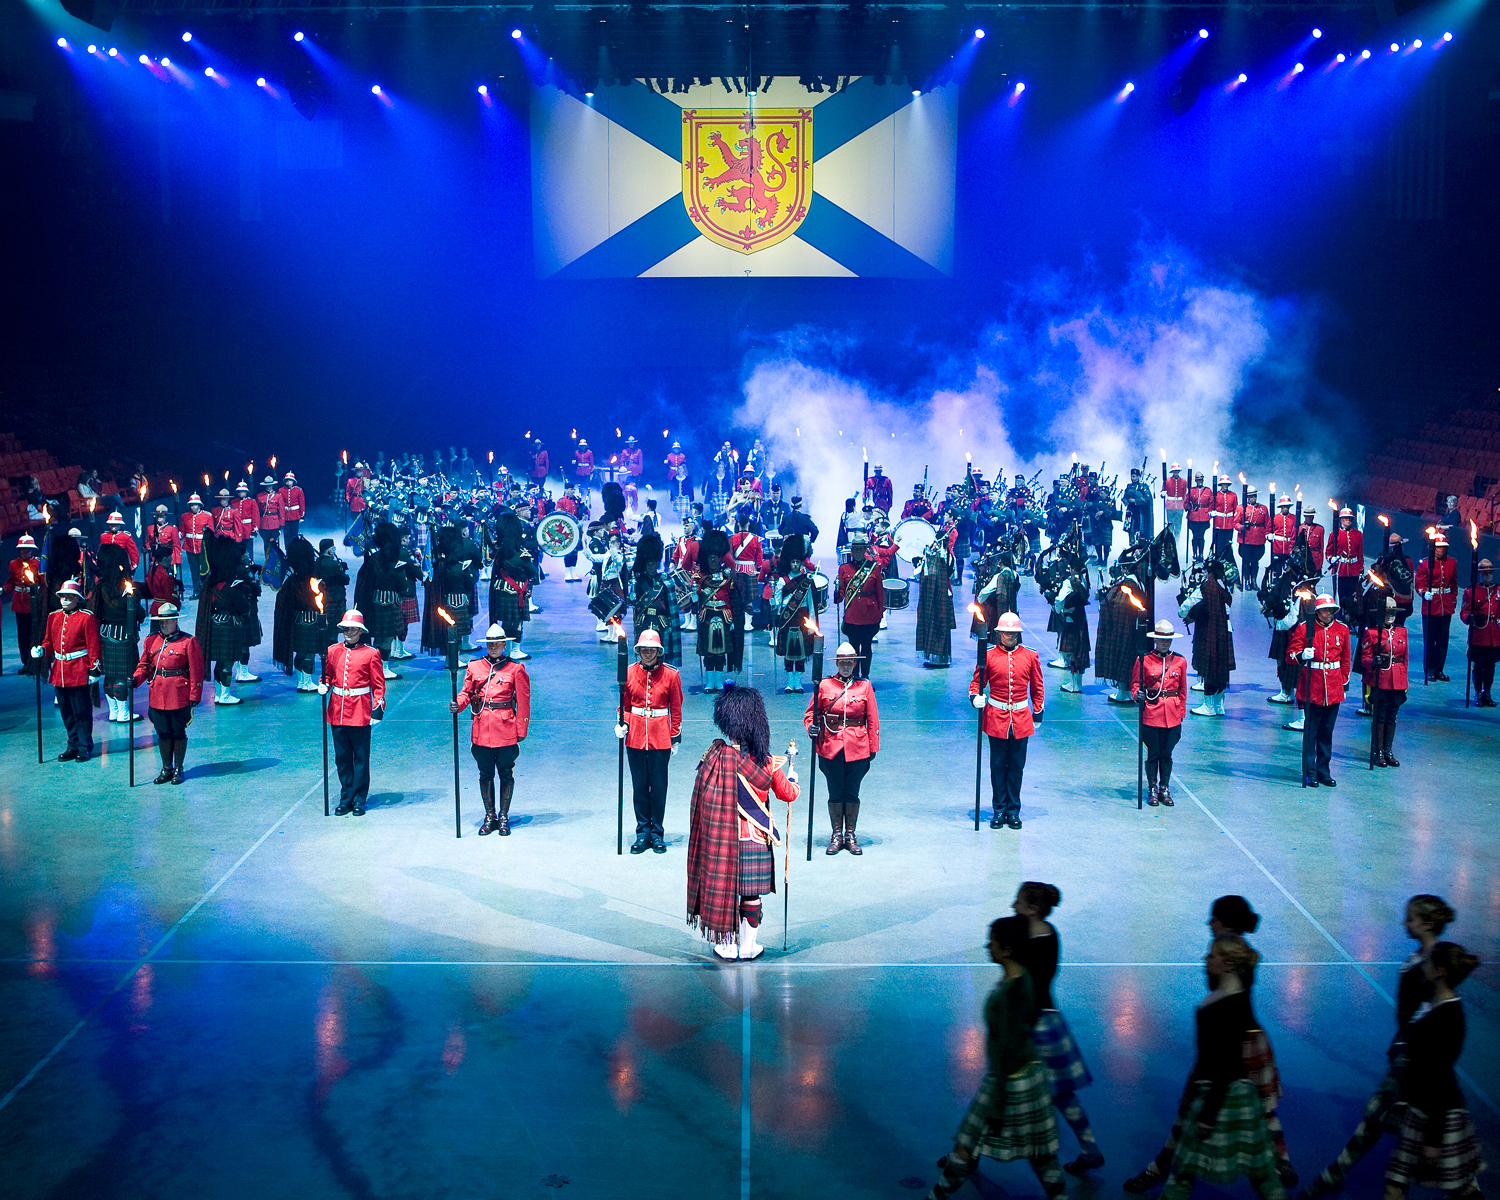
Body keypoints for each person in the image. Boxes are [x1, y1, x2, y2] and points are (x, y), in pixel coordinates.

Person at [1303, 895, 1458, 1198]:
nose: (1404, 923)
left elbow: (1417, 1017)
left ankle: (1338, 1172)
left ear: (1426, 923)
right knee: (1376, 1120)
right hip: (1407, 1055)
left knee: (1400, 1126)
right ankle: (1338, 1171)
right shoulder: (1427, 963)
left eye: (1410, 918)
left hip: (1413, 1062)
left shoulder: (1429, 968)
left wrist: (1404, 1048)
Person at [924, 915, 1068, 1200]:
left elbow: (1008, 1048)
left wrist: (997, 1102)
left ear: (1007, 949)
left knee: (967, 1144)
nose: (986, 946)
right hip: (1026, 1077)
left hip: (1007, 1081)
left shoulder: (1010, 994)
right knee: (1040, 1154)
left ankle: (936, 1196)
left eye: (991, 942)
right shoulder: (1020, 978)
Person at [1154, 939, 1288, 1200]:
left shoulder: (1223, 1007)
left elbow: (1224, 1065)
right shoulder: (1236, 998)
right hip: (1240, 1096)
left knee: (1183, 1170)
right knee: (1261, 1172)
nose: (1205, 959)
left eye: (1211, 956)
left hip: (1219, 1097)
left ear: (1226, 964)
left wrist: (1208, 1115)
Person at [686, 686, 799, 961]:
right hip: (755, 839)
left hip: (720, 838)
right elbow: (789, 794)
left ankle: (726, 946)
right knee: (751, 896)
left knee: (724, 893)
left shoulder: (714, 756)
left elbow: (701, 795)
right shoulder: (768, 763)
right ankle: (748, 947)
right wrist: (793, 778)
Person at [1010, 883, 1106, 1177]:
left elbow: (1024, 986)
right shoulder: (1050, 935)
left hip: (1031, 1024)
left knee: (1000, 1089)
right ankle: (1090, 1150)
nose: (1013, 906)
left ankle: (966, 1153)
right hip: (1049, 1021)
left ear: (1032, 908)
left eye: (1019, 902)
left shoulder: (1027, 942)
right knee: (1062, 1094)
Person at [1380, 942, 1484, 1200]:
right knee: (1396, 1183)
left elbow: (1439, 1078)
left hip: (1439, 1115)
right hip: (1421, 1110)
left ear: (1439, 971)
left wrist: (1434, 1140)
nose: (1422, 965)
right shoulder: (1436, 1004)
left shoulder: (1447, 1018)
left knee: (1461, 1189)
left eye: (1428, 963)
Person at [450, 622, 530, 835]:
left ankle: (503, 816)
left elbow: (523, 701)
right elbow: (466, 692)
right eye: (490, 643)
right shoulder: (475, 666)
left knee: (505, 772)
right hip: (482, 727)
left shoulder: (515, 669)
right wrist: (458, 704)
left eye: (497, 643)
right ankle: (490, 815)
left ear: (504, 644)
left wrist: (521, 730)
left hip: (505, 728)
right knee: (485, 773)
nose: (493, 647)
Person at [969, 612, 1045, 830]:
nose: (1010, 636)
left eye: (1014, 633)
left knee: (1016, 768)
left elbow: (1037, 688)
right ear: (1000, 633)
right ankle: (999, 809)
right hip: (996, 719)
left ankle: (1013, 811)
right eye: (1006, 633)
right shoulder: (989, 656)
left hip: (1021, 719)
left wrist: (1038, 711)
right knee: (997, 766)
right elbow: (976, 683)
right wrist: (976, 698)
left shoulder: (1030, 656)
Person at [805, 641, 879, 854]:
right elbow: (812, 714)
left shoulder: (864, 686)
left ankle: (850, 834)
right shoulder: (824, 685)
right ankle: (836, 834)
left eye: (850, 662)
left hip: (858, 747)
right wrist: (811, 727)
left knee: (852, 792)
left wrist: (872, 748)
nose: (846, 666)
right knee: (835, 791)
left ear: (855, 663)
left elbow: (872, 719)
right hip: (831, 746)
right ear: (836, 663)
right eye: (842, 662)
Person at [615, 628, 683, 854]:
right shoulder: (629, 672)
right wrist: (622, 722)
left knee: (659, 787)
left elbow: (676, 708)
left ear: (658, 651)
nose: (647, 653)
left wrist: (675, 736)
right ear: (639, 651)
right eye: (644, 649)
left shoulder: (671, 675)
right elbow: (624, 705)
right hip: (635, 737)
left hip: (661, 738)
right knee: (640, 787)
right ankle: (642, 833)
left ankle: (657, 833)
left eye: (651, 649)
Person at [319, 609, 386, 817]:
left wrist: (378, 708)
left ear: (360, 631)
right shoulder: (332, 651)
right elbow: (328, 675)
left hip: (360, 711)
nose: (349, 632)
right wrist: (323, 685)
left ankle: (358, 798)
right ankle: (346, 797)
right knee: (342, 758)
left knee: (361, 758)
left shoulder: (371, 654)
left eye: (353, 629)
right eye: (346, 628)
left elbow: (378, 685)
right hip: (337, 710)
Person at [131, 600, 205, 784]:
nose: (163, 624)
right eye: (161, 621)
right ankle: (166, 768)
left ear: (175, 621)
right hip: (157, 695)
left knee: (178, 732)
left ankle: (179, 768)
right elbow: (144, 665)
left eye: (168, 621)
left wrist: (194, 696)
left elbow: (197, 670)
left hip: (179, 695)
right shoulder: (151, 640)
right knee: (162, 732)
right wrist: (135, 679)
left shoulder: (188, 641)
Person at [1286, 594, 1352, 788]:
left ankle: (1324, 771)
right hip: (1312, 686)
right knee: (1311, 732)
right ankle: (1310, 772)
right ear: (1317, 611)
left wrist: (1343, 684)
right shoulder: (1305, 628)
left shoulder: (1342, 630)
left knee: (1326, 732)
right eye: (1325, 609)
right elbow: (1290, 655)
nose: (1328, 613)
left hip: (1333, 687)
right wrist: (1301, 655)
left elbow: (1346, 660)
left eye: (1331, 610)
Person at [32, 579, 102, 762]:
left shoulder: (86, 618)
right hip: (60, 672)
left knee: (82, 711)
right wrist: (42, 650)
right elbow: (49, 641)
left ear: (76, 599)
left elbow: (93, 645)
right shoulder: (53, 617)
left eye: (69, 597)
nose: (64, 600)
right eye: (62, 596)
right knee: (66, 712)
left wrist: (94, 669)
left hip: (78, 669)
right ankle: (72, 745)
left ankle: (84, 746)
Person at [195, 531, 256, 706]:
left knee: (221, 662)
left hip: (215, 623)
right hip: (228, 625)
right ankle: (224, 694)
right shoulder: (231, 586)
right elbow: (243, 608)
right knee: (227, 662)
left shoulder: (211, 582)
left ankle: (220, 694)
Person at [1132, 619, 1188, 806]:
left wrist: (1180, 713)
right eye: (1162, 639)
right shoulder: (1144, 660)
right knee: (1153, 753)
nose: (1166, 643)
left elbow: (1183, 690)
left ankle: (1165, 788)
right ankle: (1152, 788)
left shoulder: (1180, 661)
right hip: (1152, 713)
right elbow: (1135, 684)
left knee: (1167, 753)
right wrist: (1137, 694)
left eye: (1168, 640)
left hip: (1172, 715)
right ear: (1155, 640)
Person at [92, 543, 146, 725]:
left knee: (110, 675)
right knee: (122, 674)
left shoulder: (101, 587)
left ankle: (113, 711)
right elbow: (139, 614)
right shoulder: (124, 588)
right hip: (123, 634)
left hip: (105, 633)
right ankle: (123, 712)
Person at [1183, 556, 1235, 717]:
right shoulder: (1225, 587)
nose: (1205, 574)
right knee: (1220, 667)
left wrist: (1185, 614)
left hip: (1209, 630)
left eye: (1206, 571)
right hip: (1225, 630)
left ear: (1210, 573)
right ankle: (1219, 706)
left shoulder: (1206, 587)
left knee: (1210, 666)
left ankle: (1208, 706)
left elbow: (1187, 605)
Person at [1360, 597, 1408, 768]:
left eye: (1393, 612)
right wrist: (1373, 662)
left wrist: (1404, 682)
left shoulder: (1402, 632)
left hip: (1398, 680)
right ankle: (1378, 751)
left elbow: (1405, 659)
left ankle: (1388, 750)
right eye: (1387, 612)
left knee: (1392, 715)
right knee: (1379, 715)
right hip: (1380, 679)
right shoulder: (1372, 633)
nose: (1391, 616)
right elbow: (1364, 658)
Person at [771, 535, 819, 693]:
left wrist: (813, 624)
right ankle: (789, 682)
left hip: (803, 619)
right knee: (788, 652)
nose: (796, 565)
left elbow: (811, 604)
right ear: (789, 563)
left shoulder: (807, 581)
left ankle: (797, 682)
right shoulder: (782, 581)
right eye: (793, 562)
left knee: (801, 652)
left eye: (798, 562)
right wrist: (773, 603)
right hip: (787, 618)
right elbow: (778, 602)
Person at [836, 531, 886, 678]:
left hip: (869, 614)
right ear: (852, 552)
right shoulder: (844, 568)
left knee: (866, 647)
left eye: (860, 549)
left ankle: (865, 676)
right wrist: (837, 595)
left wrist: (880, 612)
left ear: (865, 550)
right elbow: (841, 593)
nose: (858, 552)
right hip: (852, 614)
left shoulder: (873, 567)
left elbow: (880, 593)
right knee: (853, 647)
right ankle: (854, 677)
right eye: (855, 549)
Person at [631, 533, 681, 668]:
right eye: (648, 562)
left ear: (657, 562)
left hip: (662, 625)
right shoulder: (638, 583)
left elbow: (673, 610)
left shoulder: (666, 581)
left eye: (653, 562)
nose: (650, 566)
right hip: (644, 623)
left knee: (661, 660)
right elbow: (634, 607)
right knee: (645, 658)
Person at [1414, 534, 1458, 682]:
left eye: (1443, 548)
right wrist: (1423, 593)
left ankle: (1439, 670)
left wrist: (1452, 600)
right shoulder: (1425, 564)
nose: (1441, 550)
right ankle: (1429, 670)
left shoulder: (1452, 563)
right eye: (1438, 547)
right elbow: (1419, 584)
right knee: (1430, 640)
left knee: (1442, 641)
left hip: (1445, 606)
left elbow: (1453, 584)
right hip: (1431, 606)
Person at [917, 529, 958, 668]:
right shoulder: (931, 556)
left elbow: (951, 574)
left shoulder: (947, 557)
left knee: (940, 626)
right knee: (935, 625)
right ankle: (934, 658)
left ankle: (941, 658)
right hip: (936, 595)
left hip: (942, 595)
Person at [1460, 558, 1499, 707]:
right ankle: (1477, 692)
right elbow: (1464, 611)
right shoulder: (1471, 591)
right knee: (1478, 665)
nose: (1488, 574)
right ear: (1480, 574)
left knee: (1490, 666)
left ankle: (1487, 692)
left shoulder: (1498, 590)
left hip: (1493, 634)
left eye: (1490, 571)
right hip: (1478, 634)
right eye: (1485, 571)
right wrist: (1468, 618)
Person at [5, 533, 42, 672]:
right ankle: (26, 662)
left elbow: (43, 584)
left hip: (33, 603)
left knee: (35, 634)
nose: (23, 551)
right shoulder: (13, 564)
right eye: (21, 548)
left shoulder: (38, 564)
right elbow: (11, 583)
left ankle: (36, 663)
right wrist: (3, 590)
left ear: (31, 549)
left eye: (26, 548)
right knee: (23, 636)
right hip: (20, 605)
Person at [1052, 564, 1090, 693]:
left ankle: (1073, 685)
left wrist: (1058, 610)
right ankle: (1077, 683)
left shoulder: (1069, 582)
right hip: (1081, 618)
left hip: (1071, 619)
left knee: (1073, 653)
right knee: (1080, 651)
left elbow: (1059, 599)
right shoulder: (1084, 581)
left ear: (1073, 569)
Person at [1328, 508, 1365, 622]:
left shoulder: (1358, 534)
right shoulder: (1334, 535)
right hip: (1340, 570)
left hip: (1353, 570)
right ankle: (1339, 616)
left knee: (1352, 594)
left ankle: (1350, 616)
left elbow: (1360, 553)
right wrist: (1331, 559)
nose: (1347, 521)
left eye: (1349, 519)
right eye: (1345, 518)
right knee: (1340, 595)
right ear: (1341, 520)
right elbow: (1328, 552)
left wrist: (1360, 568)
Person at [1236, 487, 1270, 590]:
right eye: (1251, 496)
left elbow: (1267, 523)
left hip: (1258, 539)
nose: (1253, 498)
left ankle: (1254, 581)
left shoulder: (1263, 508)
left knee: (1255, 561)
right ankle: (1246, 581)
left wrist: (1268, 534)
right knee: (1246, 561)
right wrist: (1241, 527)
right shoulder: (1241, 508)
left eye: (1254, 495)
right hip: (1246, 539)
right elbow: (1235, 522)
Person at [180, 493, 211, 598]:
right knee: (194, 570)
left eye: (195, 504)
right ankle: (196, 590)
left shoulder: (207, 516)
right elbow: (183, 531)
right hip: (189, 547)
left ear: (199, 505)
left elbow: (210, 533)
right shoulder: (185, 516)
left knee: (205, 570)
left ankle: (206, 591)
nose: (193, 507)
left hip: (203, 548)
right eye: (192, 505)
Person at [257, 476, 284, 556]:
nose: (268, 487)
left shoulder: (278, 496)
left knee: (275, 544)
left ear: (272, 486)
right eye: (267, 485)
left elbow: (281, 510)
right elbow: (257, 510)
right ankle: (267, 561)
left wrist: (281, 523)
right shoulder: (259, 496)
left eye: (270, 485)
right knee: (266, 544)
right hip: (264, 523)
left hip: (275, 523)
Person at [1211, 476, 1238, 556]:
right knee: (1219, 543)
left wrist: (1234, 522)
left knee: (1228, 544)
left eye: (1226, 484)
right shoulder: (1216, 494)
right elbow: (1211, 506)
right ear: (1221, 485)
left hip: (1229, 523)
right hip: (1218, 522)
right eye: (1224, 484)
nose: (1225, 486)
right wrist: (1211, 512)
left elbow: (1235, 509)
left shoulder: (1233, 495)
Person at [232, 480, 261, 555]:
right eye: (240, 491)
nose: (241, 493)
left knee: (248, 549)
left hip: (247, 529)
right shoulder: (233, 502)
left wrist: (254, 529)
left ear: (246, 492)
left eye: (243, 491)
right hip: (237, 529)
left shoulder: (252, 502)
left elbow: (256, 517)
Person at [278, 473, 306, 545]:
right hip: (285, 516)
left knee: (294, 535)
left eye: (290, 480)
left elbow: (301, 503)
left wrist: (301, 515)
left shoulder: (298, 490)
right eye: (287, 480)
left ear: (293, 481)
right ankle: (288, 552)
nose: (288, 482)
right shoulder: (281, 490)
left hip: (295, 516)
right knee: (286, 536)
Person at [1163, 465, 1187, 540]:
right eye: (1174, 471)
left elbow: (1184, 494)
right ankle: (1170, 542)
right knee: (1170, 525)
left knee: (1178, 525)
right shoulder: (1167, 481)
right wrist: (1162, 493)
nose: (1176, 472)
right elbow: (1163, 490)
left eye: (1177, 471)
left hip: (1179, 506)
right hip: (1170, 506)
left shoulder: (1184, 482)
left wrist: (1185, 505)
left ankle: (1177, 541)